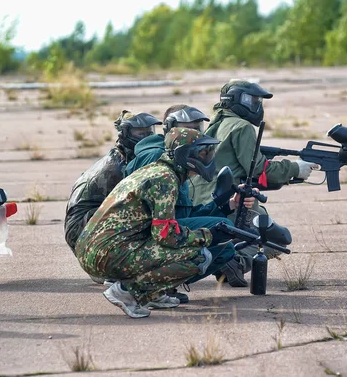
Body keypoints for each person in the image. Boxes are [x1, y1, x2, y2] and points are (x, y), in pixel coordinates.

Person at [76, 128, 236, 318]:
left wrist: (226, 206)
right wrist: (208, 236)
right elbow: (165, 234)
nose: (207, 157)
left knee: (184, 248)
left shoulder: (158, 171)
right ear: (184, 154)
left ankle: (152, 294)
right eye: (201, 152)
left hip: (98, 249)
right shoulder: (165, 179)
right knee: (198, 257)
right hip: (107, 253)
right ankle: (128, 292)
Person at [189, 80, 318, 276]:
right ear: (234, 100)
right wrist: (294, 168)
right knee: (278, 238)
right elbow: (259, 168)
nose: (256, 105)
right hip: (229, 204)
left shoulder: (216, 123)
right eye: (251, 99)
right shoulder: (242, 127)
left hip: (203, 203)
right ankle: (236, 261)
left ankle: (224, 255)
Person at [124, 104, 255, 288]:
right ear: (171, 129)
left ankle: (165, 283)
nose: (194, 134)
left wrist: (229, 205)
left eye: (197, 128)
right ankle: (150, 285)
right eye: (187, 129)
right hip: (138, 241)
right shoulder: (156, 157)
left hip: (158, 233)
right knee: (219, 234)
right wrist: (204, 236)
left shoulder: (177, 160)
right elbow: (156, 226)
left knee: (225, 248)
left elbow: (183, 215)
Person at [64, 110, 161, 253]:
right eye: (140, 133)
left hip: (89, 222)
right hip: (78, 230)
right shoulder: (116, 167)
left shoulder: (126, 157)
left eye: (149, 132)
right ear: (125, 134)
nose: (147, 137)